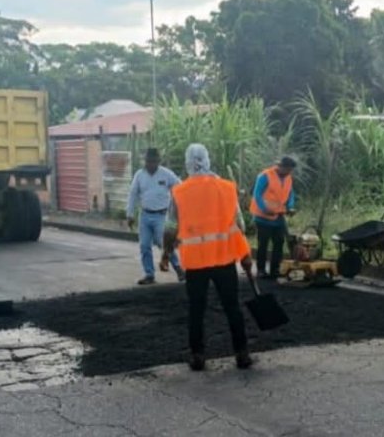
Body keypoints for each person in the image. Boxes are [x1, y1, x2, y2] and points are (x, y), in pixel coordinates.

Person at [164, 144, 253, 372]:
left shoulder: (180, 192)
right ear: (208, 159)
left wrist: (166, 254)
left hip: (195, 264)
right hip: (224, 260)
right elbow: (239, 226)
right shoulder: (226, 188)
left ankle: (198, 356)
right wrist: (245, 256)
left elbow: (170, 228)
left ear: (187, 162)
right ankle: (242, 354)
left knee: (196, 310)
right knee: (232, 307)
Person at [126, 148, 184, 285]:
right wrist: (130, 214)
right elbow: (133, 195)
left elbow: (180, 188)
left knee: (164, 244)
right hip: (145, 215)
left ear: (158, 161)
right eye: (147, 161)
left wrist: (178, 209)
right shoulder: (139, 175)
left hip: (161, 216)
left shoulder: (166, 174)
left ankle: (179, 269)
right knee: (144, 245)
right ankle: (149, 274)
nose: (149, 164)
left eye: (152, 161)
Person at [249, 157, 297, 279]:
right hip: (263, 217)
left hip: (278, 216)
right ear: (280, 166)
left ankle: (275, 269)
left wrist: (290, 206)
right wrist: (265, 209)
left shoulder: (288, 178)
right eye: (287, 169)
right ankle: (260, 270)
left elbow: (290, 193)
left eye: (290, 170)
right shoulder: (265, 176)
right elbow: (257, 194)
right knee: (263, 243)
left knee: (279, 242)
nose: (288, 172)